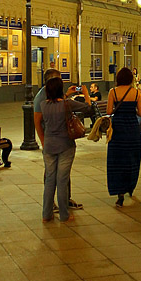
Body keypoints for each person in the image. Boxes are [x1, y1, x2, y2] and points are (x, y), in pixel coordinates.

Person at [34, 77, 91, 223]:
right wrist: (85, 94)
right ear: (60, 89)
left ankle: (46, 214)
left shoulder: (43, 105)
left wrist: (66, 94)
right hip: (65, 145)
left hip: (49, 146)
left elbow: (55, 104)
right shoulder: (68, 104)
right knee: (62, 180)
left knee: (50, 180)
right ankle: (64, 215)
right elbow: (88, 107)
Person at [106, 67, 141, 207]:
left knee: (117, 160)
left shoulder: (113, 92)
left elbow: (109, 111)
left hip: (118, 128)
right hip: (132, 129)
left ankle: (119, 193)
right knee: (132, 158)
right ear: (131, 79)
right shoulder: (136, 93)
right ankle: (130, 186)